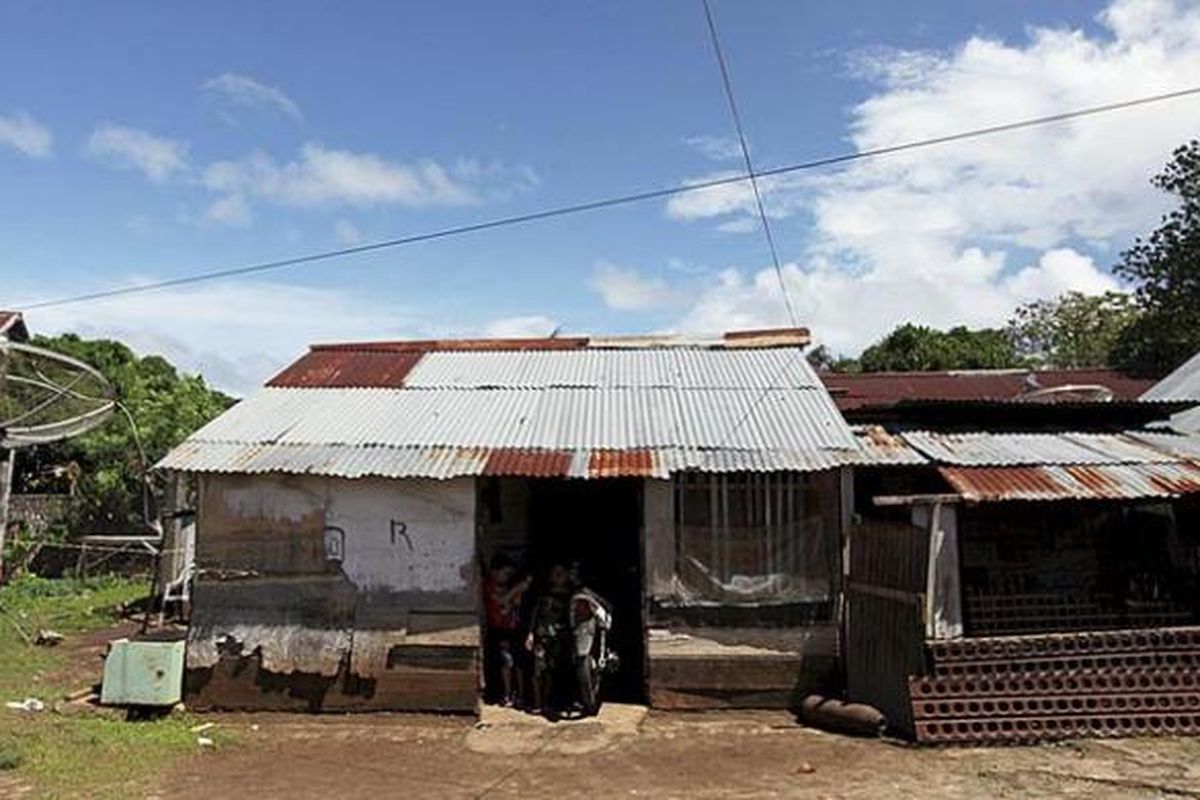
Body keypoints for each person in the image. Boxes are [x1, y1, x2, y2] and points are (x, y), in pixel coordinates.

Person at [526, 562, 573, 717]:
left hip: (559, 638)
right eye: (555, 572)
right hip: (542, 634)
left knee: (552, 671)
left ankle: (547, 701)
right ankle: (538, 703)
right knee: (538, 669)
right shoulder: (543, 594)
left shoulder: (571, 595)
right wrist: (531, 634)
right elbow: (535, 614)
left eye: (561, 572)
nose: (558, 576)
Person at [483, 554, 531, 707]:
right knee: (506, 661)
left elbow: (512, 605)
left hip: (513, 628)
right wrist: (518, 589)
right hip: (499, 630)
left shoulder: (508, 586)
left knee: (518, 661)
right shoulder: (489, 585)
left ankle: (520, 695)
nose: (507, 577)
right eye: (505, 573)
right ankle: (506, 694)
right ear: (494, 572)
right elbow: (501, 602)